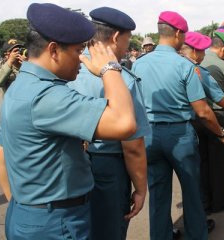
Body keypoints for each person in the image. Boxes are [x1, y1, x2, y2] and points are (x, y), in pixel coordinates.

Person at [0, 3, 136, 239]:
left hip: (31, 213)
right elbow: (124, 123)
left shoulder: (22, 85)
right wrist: (110, 68)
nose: (82, 60)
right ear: (53, 50)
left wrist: (26, 206)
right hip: (56, 223)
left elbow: (1, 151)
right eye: (77, 51)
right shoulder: (48, 96)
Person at [132, 11, 224, 240]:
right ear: (178, 33)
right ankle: (196, 235)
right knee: (191, 192)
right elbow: (203, 112)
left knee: (158, 194)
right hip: (179, 135)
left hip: (150, 135)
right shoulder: (184, 66)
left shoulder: (139, 64)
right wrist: (222, 134)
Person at [68, 7, 150, 240]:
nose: (126, 46)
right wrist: (141, 189)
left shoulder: (70, 69)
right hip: (109, 168)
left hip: (73, 164)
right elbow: (132, 146)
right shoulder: (122, 79)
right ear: (115, 37)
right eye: (127, 39)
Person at [180, 31, 224, 214]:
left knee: (201, 165)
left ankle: (204, 202)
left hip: (189, 124)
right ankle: (218, 202)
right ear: (193, 51)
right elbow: (223, 101)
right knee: (219, 164)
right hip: (212, 117)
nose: (203, 55)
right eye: (201, 51)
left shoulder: (162, 66)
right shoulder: (196, 70)